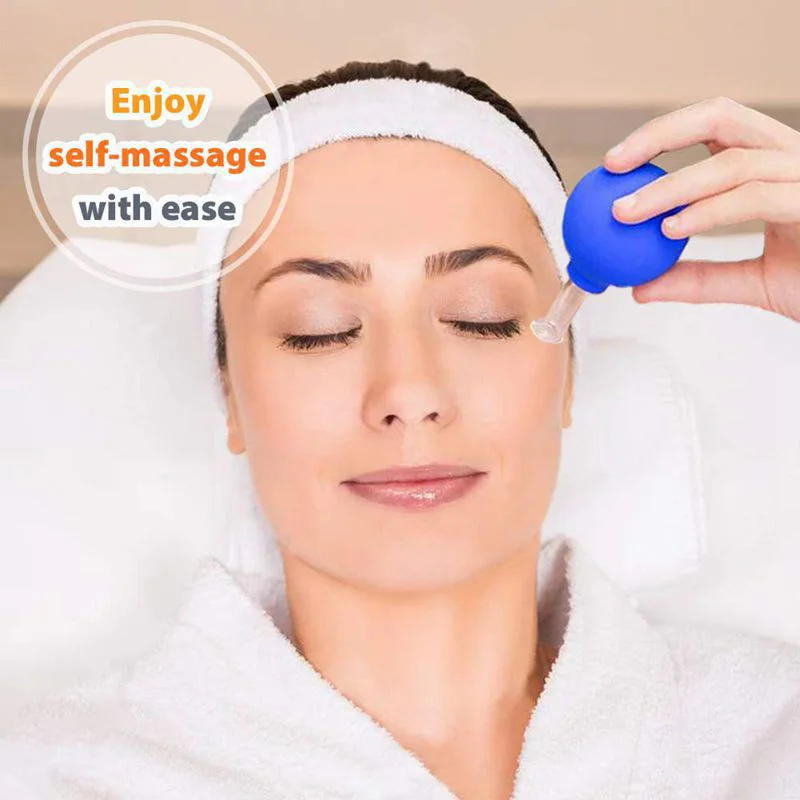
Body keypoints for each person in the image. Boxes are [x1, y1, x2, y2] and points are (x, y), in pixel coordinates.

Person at [2, 61, 799, 800]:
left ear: (568, 377)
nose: (409, 394)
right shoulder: (53, 776)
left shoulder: (770, 738)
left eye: (480, 318)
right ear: (231, 397)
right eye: (318, 330)